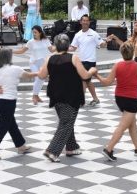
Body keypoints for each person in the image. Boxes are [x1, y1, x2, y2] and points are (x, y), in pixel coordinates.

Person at [36, 34, 97, 162]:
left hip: (55, 94)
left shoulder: (50, 59)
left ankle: (71, 147)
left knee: (67, 120)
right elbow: (85, 76)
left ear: (56, 46)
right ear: (68, 46)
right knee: (66, 123)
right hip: (72, 94)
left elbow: (41, 76)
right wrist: (92, 71)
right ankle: (52, 151)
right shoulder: (73, 58)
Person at [93, 42, 137, 161]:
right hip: (132, 99)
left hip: (119, 98)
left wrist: (97, 75)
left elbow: (107, 82)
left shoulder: (117, 65)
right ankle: (109, 149)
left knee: (132, 123)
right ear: (133, 52)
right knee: (123, 126)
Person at [0, 49, 37, 160]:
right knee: (3, 126)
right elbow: (29, 75)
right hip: (9, 101)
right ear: (9, 57)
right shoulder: (15, 69)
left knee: (11, 123)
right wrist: (42, 71)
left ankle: (21, 146)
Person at [68, 14, 107, 107]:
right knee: (87, 81)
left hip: (90, 61)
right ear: (80, 22)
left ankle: (81, 100)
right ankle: (95, 98)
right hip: (81, 61)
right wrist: (62, 48)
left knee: (82, 80)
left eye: (87, 21)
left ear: (89, 22)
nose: (85, 22)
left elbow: (102, 45)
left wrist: (107, 41)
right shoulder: (78, 35)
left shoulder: (93, 33)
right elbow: (73, 48)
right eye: (83, 21)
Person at [12, 25, 55, 104]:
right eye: (33, 32)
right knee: (38, 79)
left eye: (35, 32)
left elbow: (51, 50)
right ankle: (34, 96)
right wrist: (12, 51)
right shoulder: (31, 42)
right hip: (34, 63)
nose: (34, 34)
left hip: (43, 63)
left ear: (40, 33)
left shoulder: (45, 40)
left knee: (41, 80)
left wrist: (61, 46)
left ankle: (36, 95)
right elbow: (22, 51)